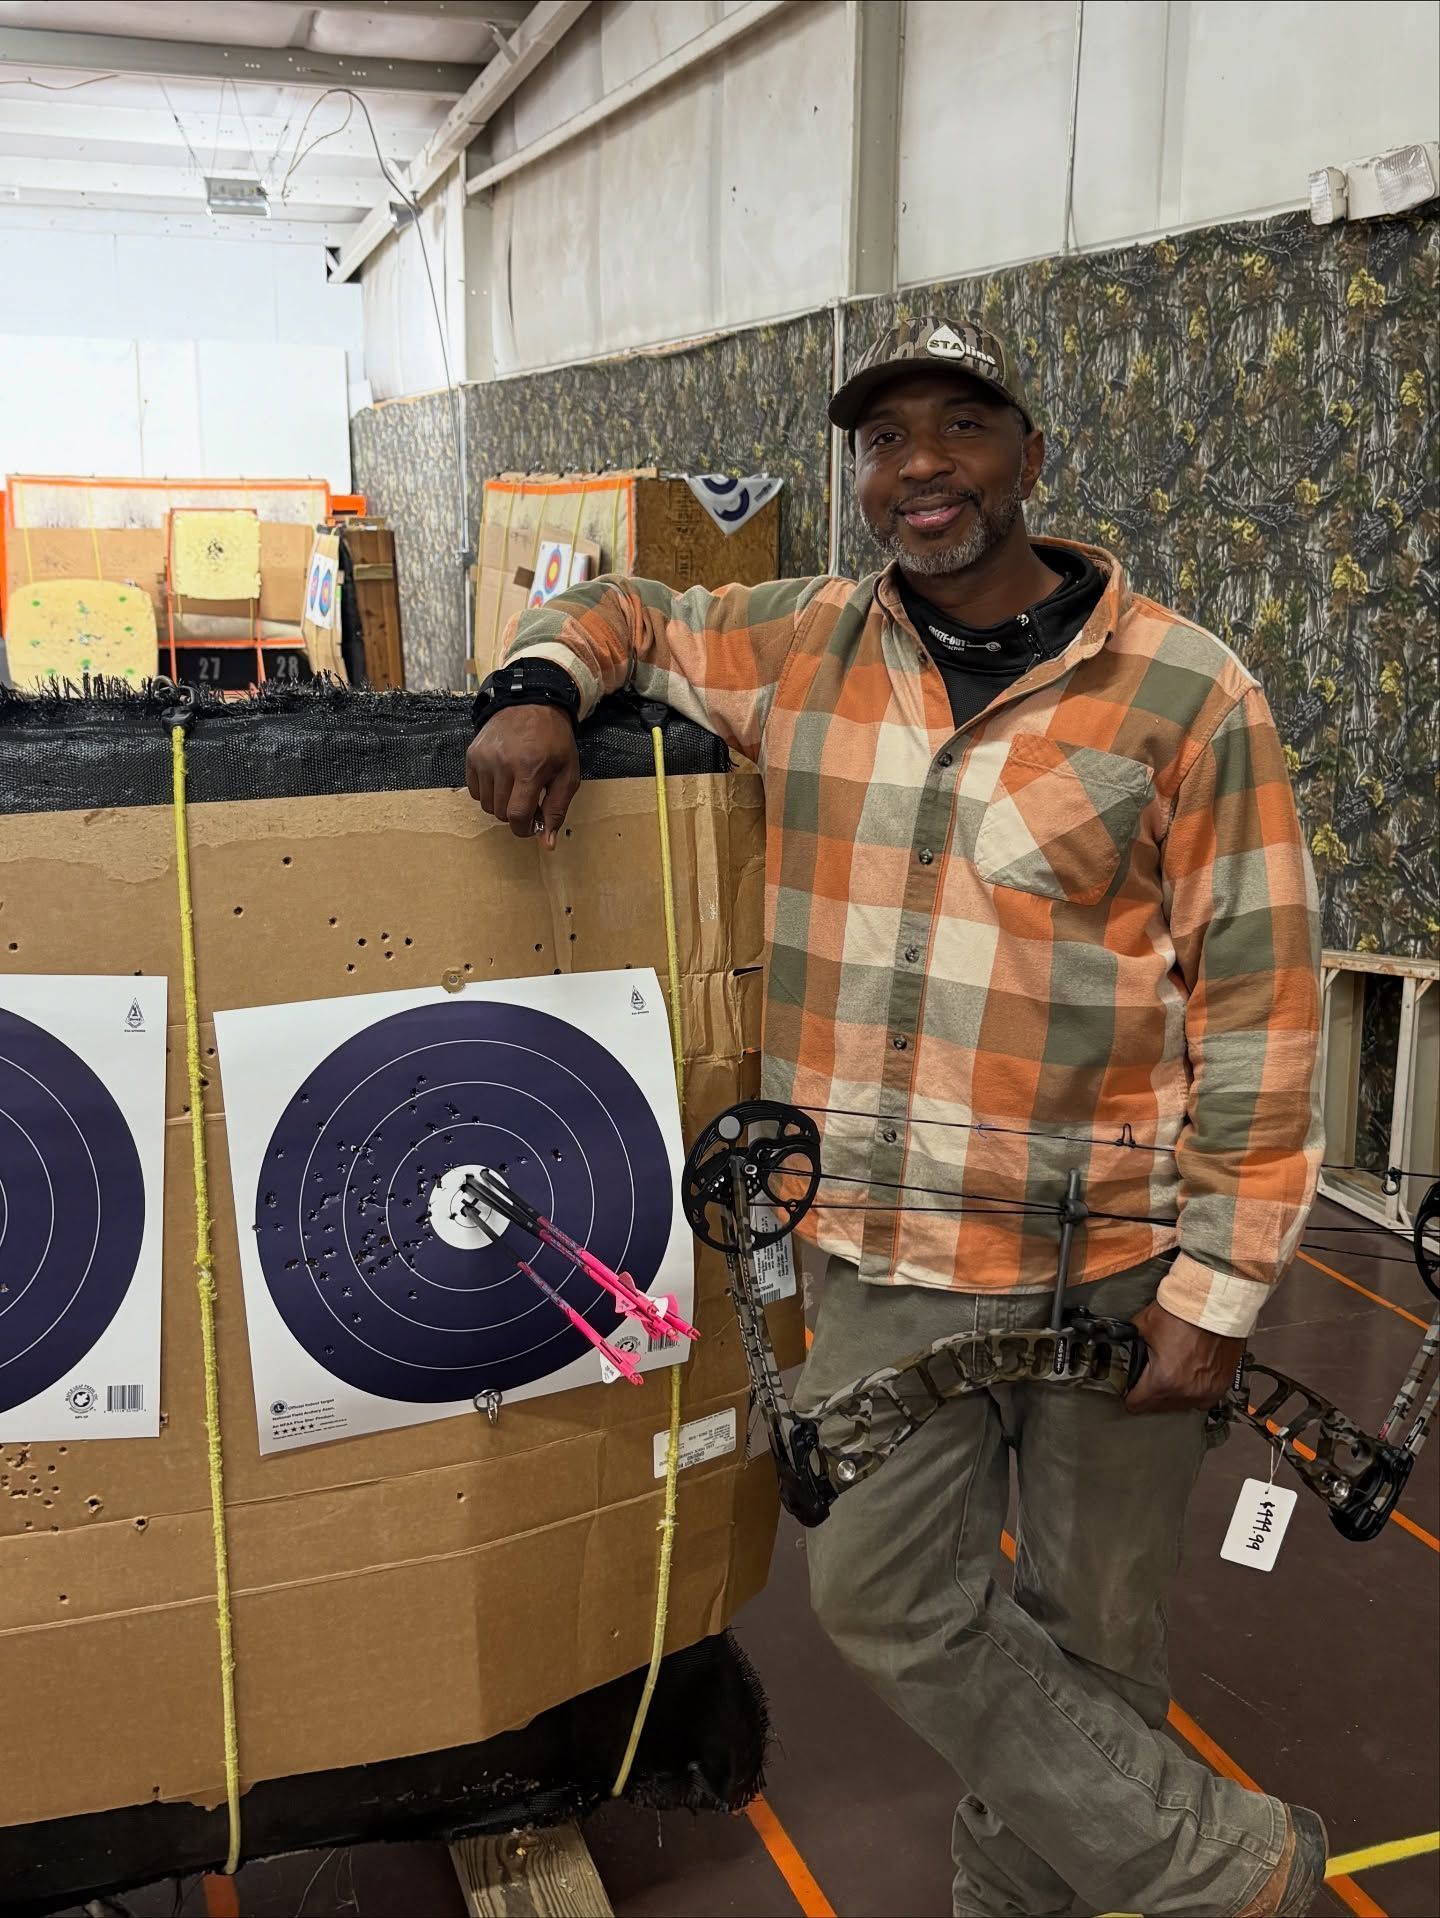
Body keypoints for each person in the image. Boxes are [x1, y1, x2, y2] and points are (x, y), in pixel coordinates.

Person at [465, 316, 1326, 1917]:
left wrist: (1219, 1291)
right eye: (884, 439)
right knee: (877, 1592)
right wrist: (538, 682)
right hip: (875, 1250)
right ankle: (1224, 1867)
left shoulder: (1191, 694)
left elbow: (1267, 1008)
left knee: (1093, 1645)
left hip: (1114, 1267)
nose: (919, 467)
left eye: (960, 428)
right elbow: (627, 606)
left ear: (1032, 459)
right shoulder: (799, 644)